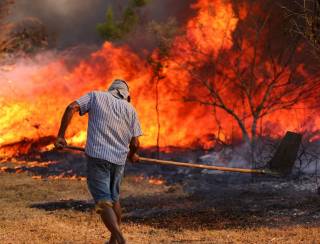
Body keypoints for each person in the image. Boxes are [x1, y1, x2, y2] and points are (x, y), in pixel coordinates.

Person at [55, 79, 142, 244]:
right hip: (118, 161)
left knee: (103, 200)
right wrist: (133, 155)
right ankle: (113, 241)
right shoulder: (130, 109)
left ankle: (120, 238)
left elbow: (71, 107)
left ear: (110, 90)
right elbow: (135, 143)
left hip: (98, 158)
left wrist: (60, 136)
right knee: (114, 199)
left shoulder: (96, 96)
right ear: (126, 96)